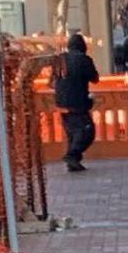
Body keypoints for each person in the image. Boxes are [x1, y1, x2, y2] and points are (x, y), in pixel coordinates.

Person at [49, 31, 96, 174]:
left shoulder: (60, 59)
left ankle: (73, 163)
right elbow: (94, 78)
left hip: (61, 102)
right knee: (87, 130)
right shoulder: (84, 60)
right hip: (78, 101)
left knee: (71, 132)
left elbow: (51, 82)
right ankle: (72, 155)